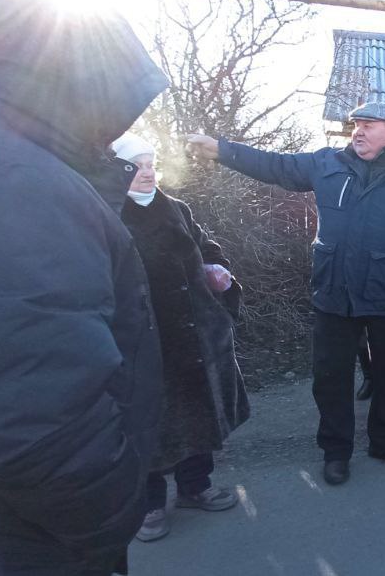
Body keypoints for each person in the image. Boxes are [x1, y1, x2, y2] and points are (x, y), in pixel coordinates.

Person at [0, 0, 167, 573]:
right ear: (75, 80)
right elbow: (28, 415)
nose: (115, 129)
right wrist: (111, 513)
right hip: (10, 536)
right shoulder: (7, 175)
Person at [185, 102, 385, 483]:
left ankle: (384, 438)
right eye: (356, 124)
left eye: (368, 125)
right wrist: (222, 150)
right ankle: (336, 450)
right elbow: (275, 166)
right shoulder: (328, 164)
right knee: (330, 376)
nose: (358, 131)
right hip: (334, 291)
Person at [111, 134, 250, 543]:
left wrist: (218, 269)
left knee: (195, 408)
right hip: (141, 339)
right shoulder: (105, 214)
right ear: (116, 170)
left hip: (192, 332)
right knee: (146, 420)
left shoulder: (176, 208)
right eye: (136, 166)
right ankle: (150, 504)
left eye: (150, 163)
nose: (147, 172)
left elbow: (208, 248)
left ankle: (195, 487)